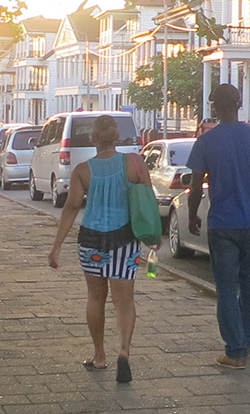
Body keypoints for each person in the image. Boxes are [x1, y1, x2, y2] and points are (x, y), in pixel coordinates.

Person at [185, 83, 250, 370]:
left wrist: (193, 215)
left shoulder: (206, 142)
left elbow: (195, 185)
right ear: (240, 104)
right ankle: (249, 338)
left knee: (227, 288)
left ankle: (236, 350)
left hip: (222, 225)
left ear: (215, 107)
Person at [48, 115, 150, 383]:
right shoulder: (134, 163)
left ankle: (99, 355)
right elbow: (147, 200)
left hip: (91, 239)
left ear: (93, 139)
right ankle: (124, 351)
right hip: (124, 238)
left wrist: (56, 246)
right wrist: (152, 237)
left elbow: (71, 208)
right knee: (124, 300)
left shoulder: (82, 170)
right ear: (117, 137)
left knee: (95, 298)